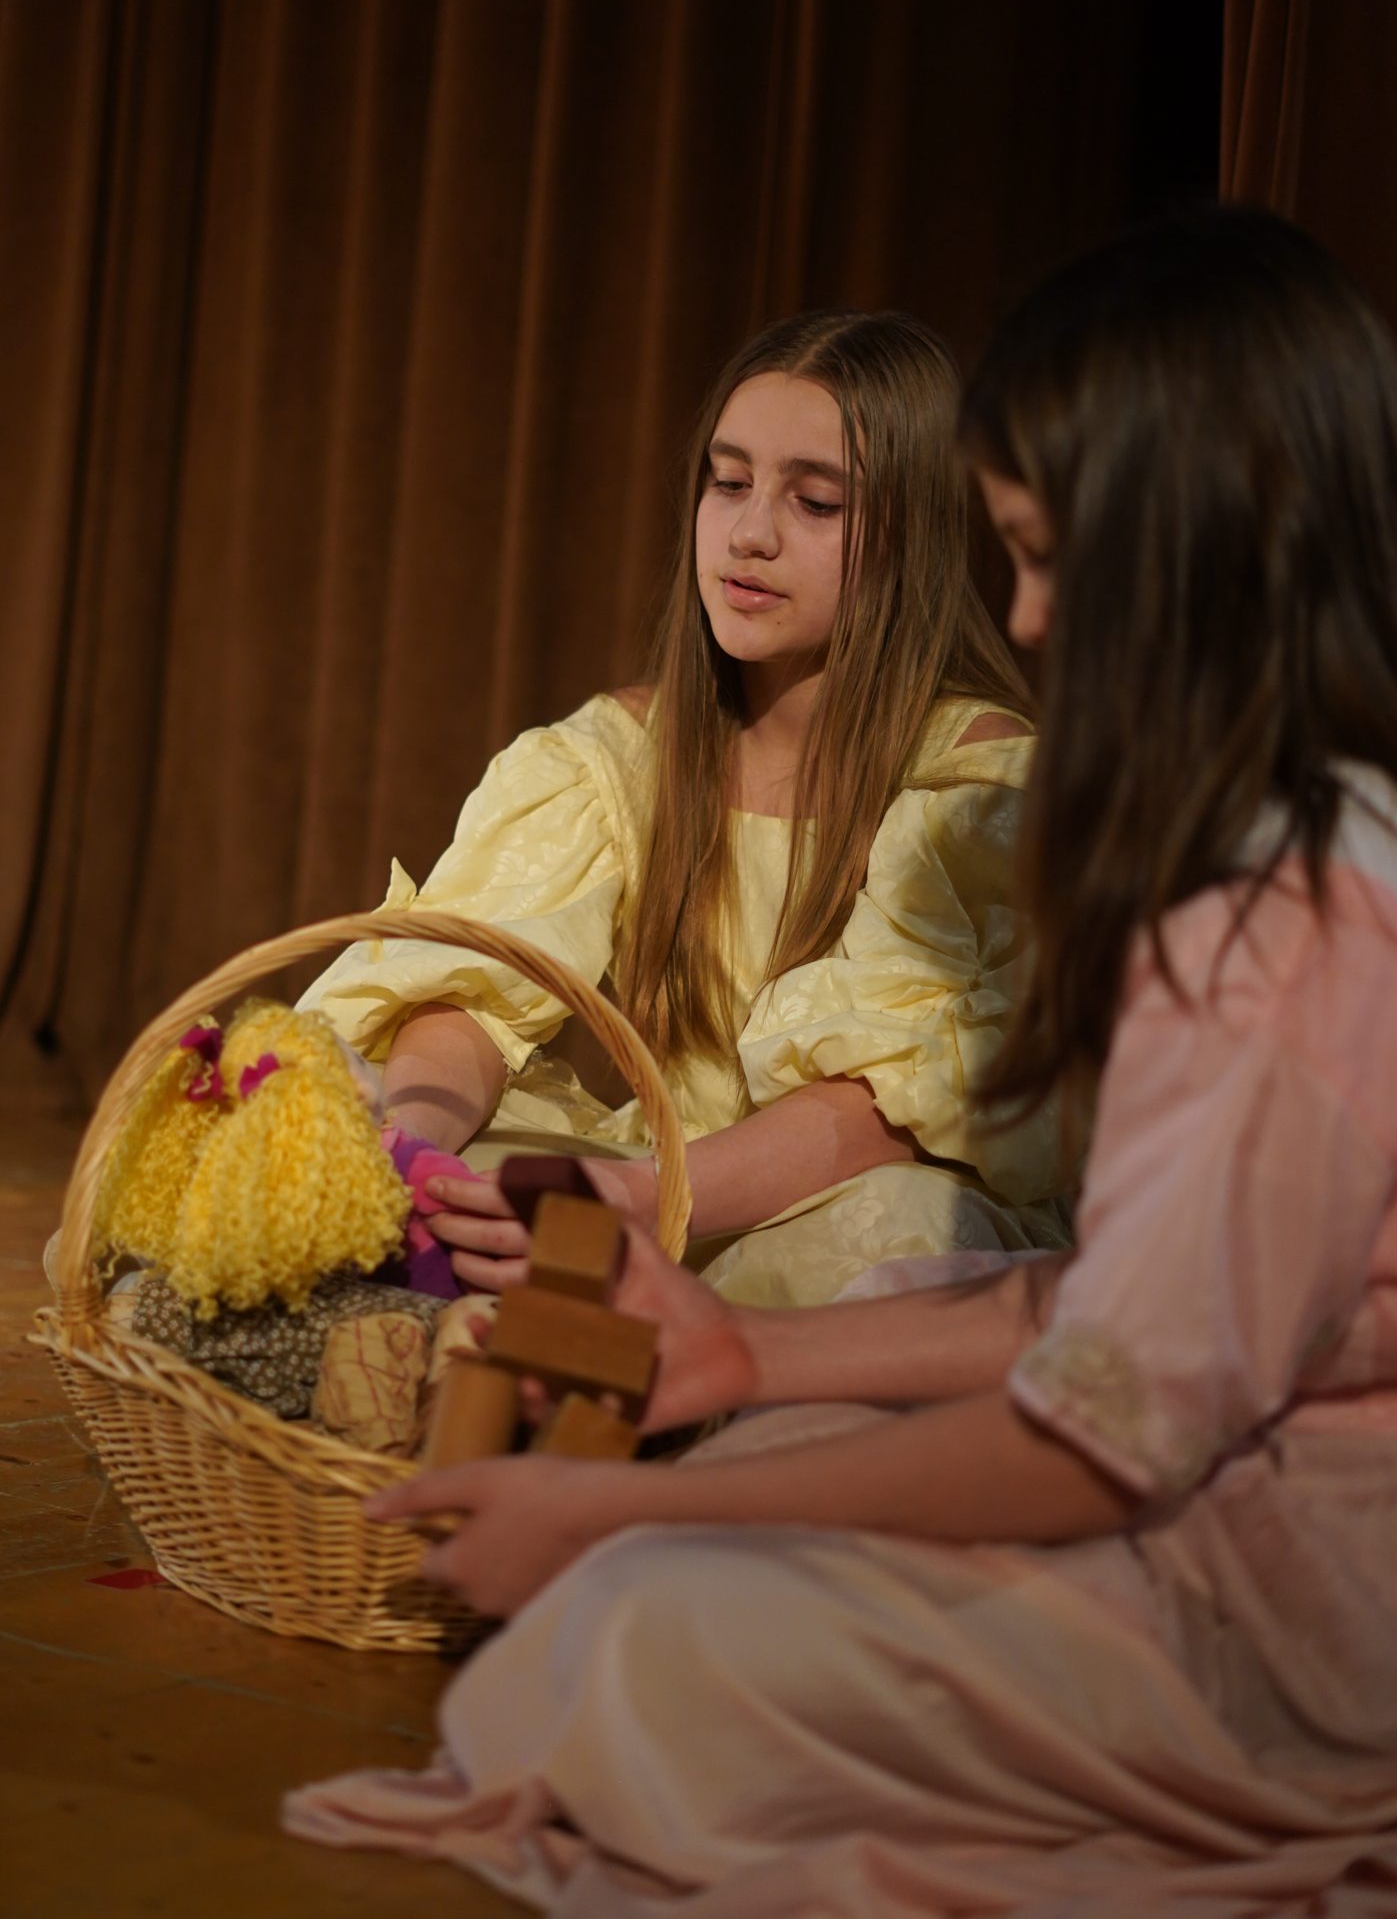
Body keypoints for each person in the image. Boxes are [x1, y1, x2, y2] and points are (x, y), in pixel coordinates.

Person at [286, 208, 1397, 1919]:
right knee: (734, 1482)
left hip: (1314, 1578)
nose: (1032, 618)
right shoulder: (1277, 837)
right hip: (1220, 1445)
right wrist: (747, 1359)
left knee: (631, 1637)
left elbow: (1108, 1416)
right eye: (726, 482)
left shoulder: (1276, 910)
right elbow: (1126, 1303)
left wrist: (627, 1503)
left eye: (1051, 558)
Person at [299, 309, 1069, 1308]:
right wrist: (408, 1159)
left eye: (816, 501)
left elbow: (893, 1101)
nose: (749, 534)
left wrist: (642, 1196)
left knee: (901, 1224)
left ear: (909, 534)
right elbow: (475, 990)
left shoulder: (972, 789)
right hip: (663, 1181)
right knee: (458, 1167)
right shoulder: (618, 757)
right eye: (729, 481)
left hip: (829, 1195)